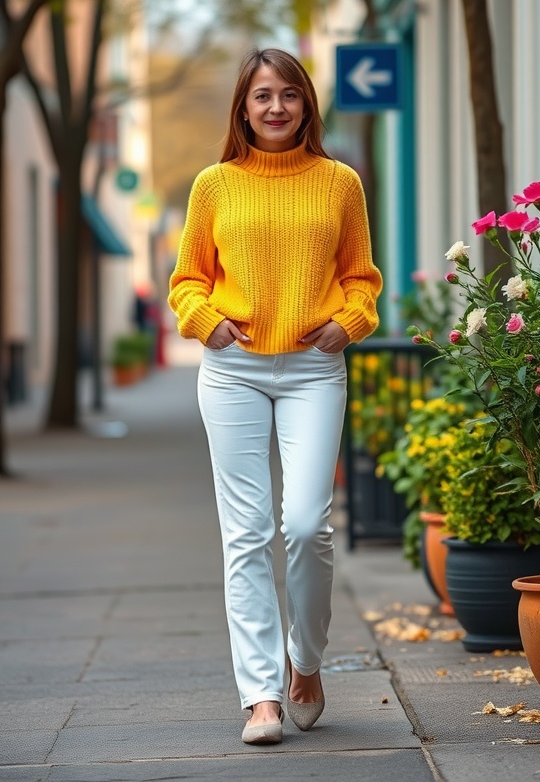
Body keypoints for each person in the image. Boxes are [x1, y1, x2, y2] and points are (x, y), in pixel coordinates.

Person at [168, 48, 382, 745]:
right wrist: (205, 322)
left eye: (289, 94)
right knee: (248, 533)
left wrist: (349, 323)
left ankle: (307, 663)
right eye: (262, 95)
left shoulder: (339, 182)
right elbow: (187, 280)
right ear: (243, 107)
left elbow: (362, 278)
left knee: (306, 525)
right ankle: (260, 695)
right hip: (232, 370)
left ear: (308, 104)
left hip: (313, 370)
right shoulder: (214, 185)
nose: (277, 107)